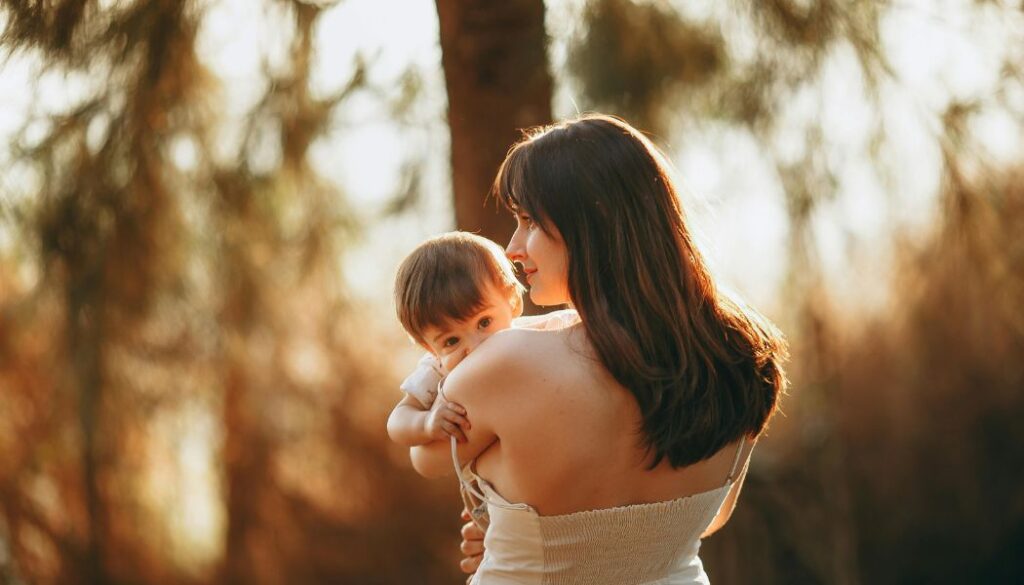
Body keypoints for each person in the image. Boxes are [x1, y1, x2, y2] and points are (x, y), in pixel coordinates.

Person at [409, 114, 788, 584]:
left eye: (528, 221)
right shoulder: (741, 357)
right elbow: (707, 519)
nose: (511, 248)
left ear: (593, 223)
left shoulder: (504, 363)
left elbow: (425, 457)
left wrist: (508, 531)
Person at [386, 231, 578, 447]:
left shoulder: (532, 336)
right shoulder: (437, 371)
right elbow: (397, 420)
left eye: (484, 322)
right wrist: (427, 423)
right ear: (429, 348)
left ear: (513, 302)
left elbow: (568, 325)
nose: (476, 346)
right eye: (451, 341)